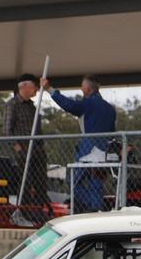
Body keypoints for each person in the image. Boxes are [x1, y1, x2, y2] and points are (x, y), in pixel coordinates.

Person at [42, 74, 116, 212]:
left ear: (88, 88)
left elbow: (69, 105)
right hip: (105, 148)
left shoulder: (89, 103)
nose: (81, 88)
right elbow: (112, 131)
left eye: (82, 86)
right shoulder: (109, 108)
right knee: (96, 182)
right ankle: (96, 209)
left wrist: (50, 90)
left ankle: (92, 207)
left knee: (73, 181)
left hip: (88, 148)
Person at [3, 73, 50, 211]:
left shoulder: (32, 106)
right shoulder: (12, 105)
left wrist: (41, 147)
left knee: (41, 182)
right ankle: (24, 211)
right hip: (23, 151)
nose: (36, 89)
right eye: (34, 86)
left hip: (37, 151)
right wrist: (17, 147)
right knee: (26, 181)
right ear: (25, 87)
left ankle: (40, 210)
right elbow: (7, 130)